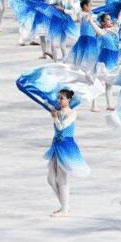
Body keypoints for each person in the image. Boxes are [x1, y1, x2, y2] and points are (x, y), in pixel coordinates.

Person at [45, 89, 90, 217]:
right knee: (50, 178)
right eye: (58, 98)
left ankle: (64, 209)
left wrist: (55, 117)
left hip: (66, 146)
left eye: (62, 98)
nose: (59, 100)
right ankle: (65, 205)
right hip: (56, 145)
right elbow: (45, 101)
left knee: (61, 178)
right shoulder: (57, 111)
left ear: (69, 100)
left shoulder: (73, 113)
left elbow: (61, 127)